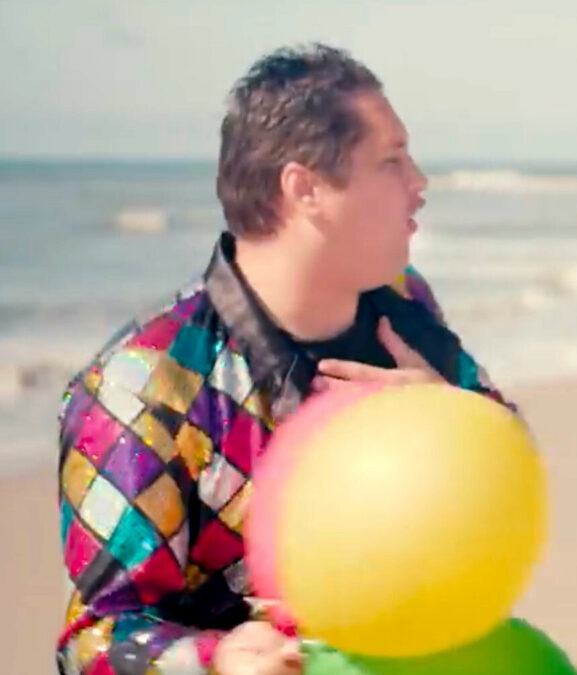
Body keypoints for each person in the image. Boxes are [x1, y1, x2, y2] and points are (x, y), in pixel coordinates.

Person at [55, 43, 515, 675]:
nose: (420, 182)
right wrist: (214, 660)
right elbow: (94, 641)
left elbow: (512, 460)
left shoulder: (404, 307)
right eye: (391, 161)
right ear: (306, 189)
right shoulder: (144, 387)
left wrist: (456, 421)